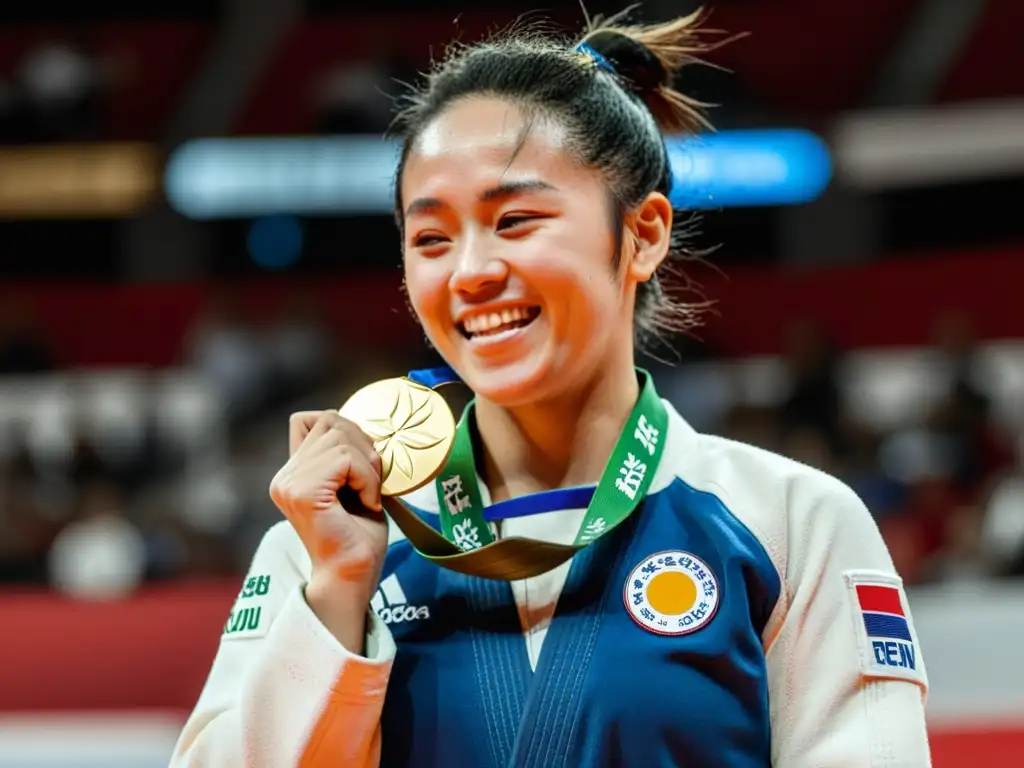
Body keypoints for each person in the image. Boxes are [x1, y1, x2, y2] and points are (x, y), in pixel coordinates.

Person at [170, 9, 932, 767]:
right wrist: (337, 594)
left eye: (517, 219)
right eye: (431, 238)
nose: (470, 272)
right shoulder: (326, 544)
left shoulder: (788, 524)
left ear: (643, 234)